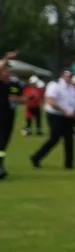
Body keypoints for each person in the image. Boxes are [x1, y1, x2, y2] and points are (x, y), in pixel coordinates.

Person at [31, 67, 75, 170]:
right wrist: (65, 111)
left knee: (69, 139)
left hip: (67, 116)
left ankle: (69, 163)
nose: (70, 78)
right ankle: (36, 157)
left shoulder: (71, 87)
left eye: (71, 76)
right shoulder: (55, 85)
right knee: (54, 138)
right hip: (55, 115)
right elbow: (50, 101)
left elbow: (72, 101)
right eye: (68, 76)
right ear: (63, 75)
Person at [0, 50, 23, 179]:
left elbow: (23, 98)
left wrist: (17, 99)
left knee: (3, 145)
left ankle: (1, 166)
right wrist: (6, 58)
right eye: (4, 71)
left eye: (8, 70)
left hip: (9, 116)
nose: (7, 73)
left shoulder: (14, 84)